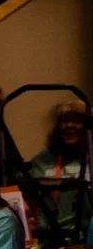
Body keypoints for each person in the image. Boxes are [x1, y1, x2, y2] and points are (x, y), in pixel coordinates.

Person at [30, 99, 93, 238]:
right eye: (64, 121)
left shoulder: (91, 159)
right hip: (48, 239)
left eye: (76, 121)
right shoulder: (41, 161)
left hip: (86, 241)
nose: (69, 125)